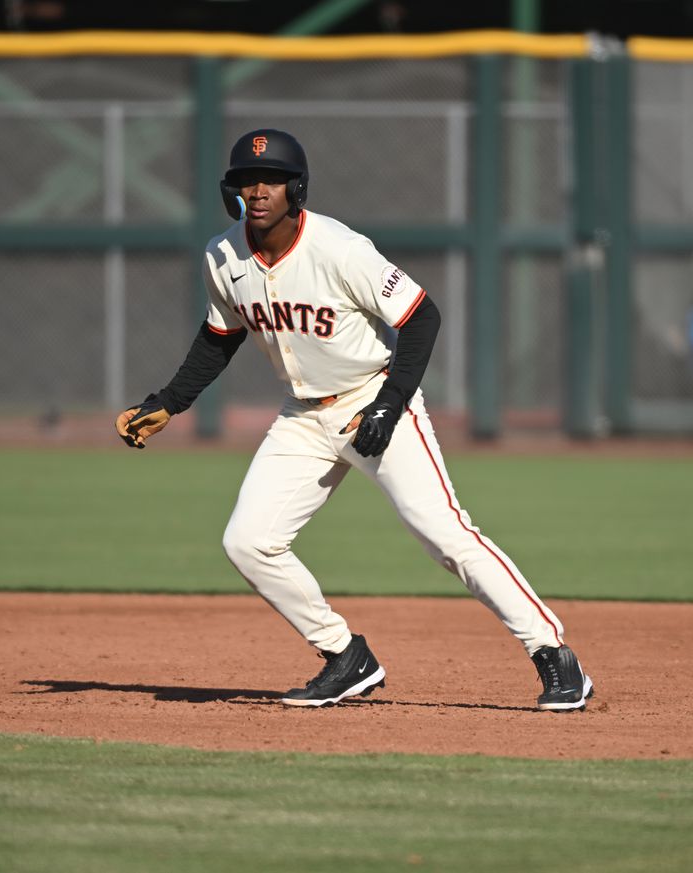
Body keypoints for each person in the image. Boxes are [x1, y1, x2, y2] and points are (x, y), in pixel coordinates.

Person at [115, 129, 592, 711]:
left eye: (269, 179)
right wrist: (170, 400)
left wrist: (389, 405)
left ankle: (554, 654)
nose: (257, 189)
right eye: (245, 180)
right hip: (302, 417)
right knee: (248, 542)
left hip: (372, 394)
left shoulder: (339, 248)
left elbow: (421, 318)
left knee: (445, 536)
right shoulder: (223, 255)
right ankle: (345, 657)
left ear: (297, 187)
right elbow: (219, 338)